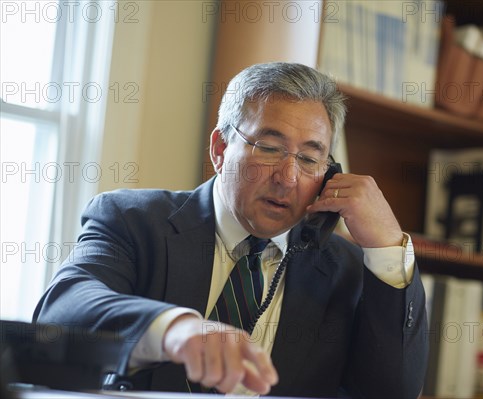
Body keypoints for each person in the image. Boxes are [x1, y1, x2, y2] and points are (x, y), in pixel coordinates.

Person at [33, 62, 428, 398]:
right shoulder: (133, 220)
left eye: (310, 158)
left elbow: (391, 391)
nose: (288, 177)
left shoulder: (347, 268)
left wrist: (388, 248)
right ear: (220, 150)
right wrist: (175, 329)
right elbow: (62, 312)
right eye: (270, 148)